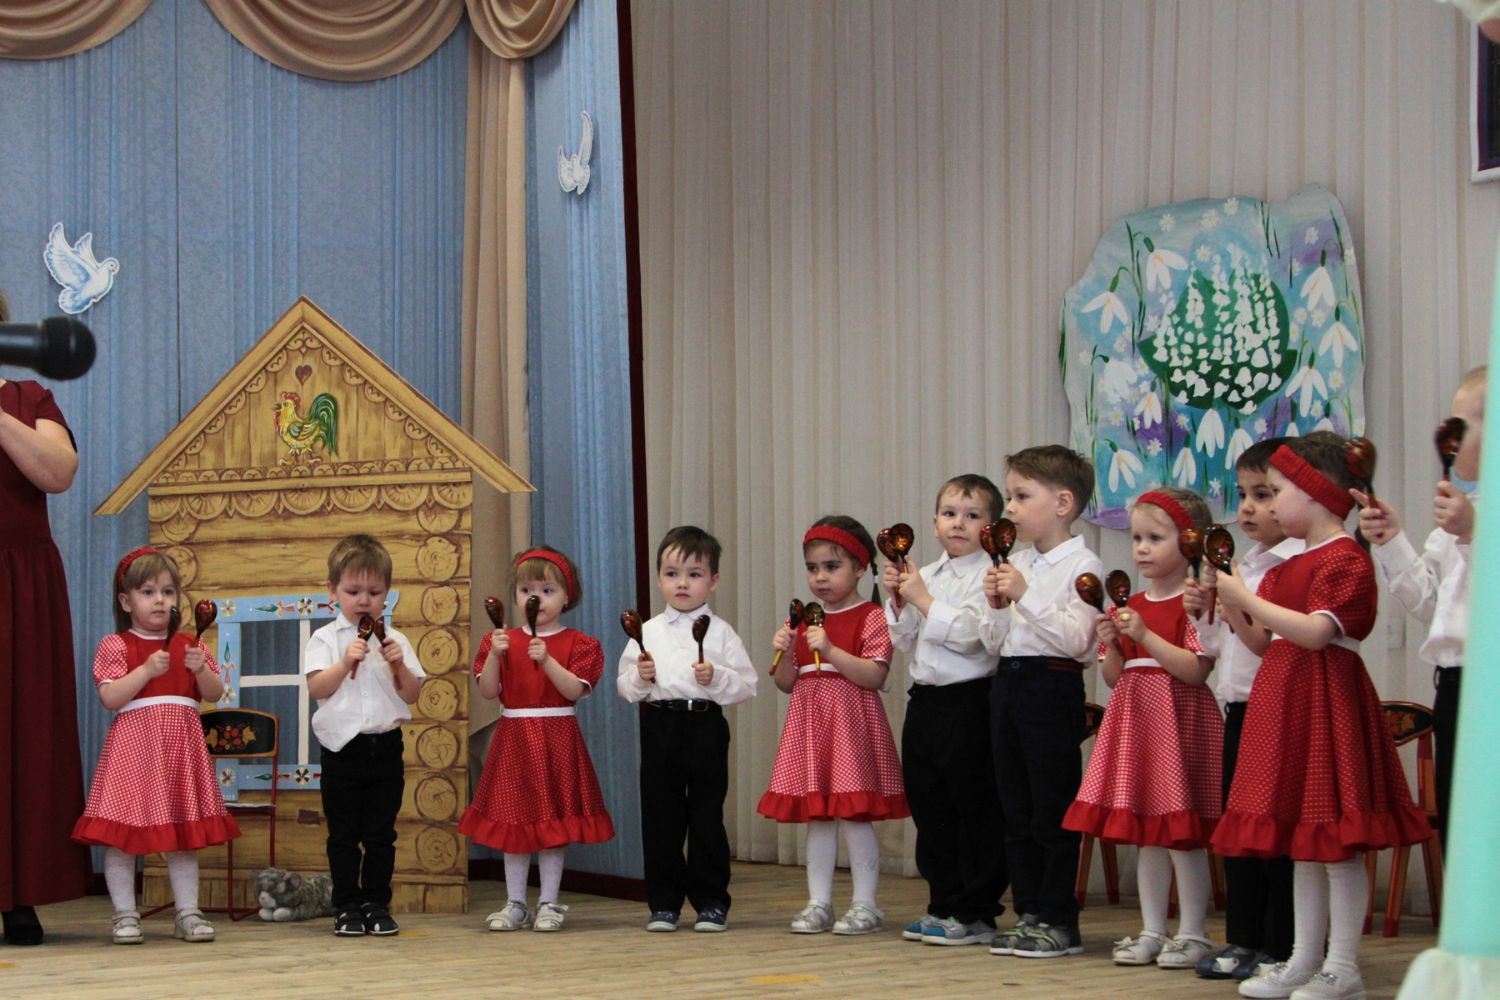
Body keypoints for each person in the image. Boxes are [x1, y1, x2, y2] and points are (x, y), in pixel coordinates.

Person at [1213, 437, 1431, 1000]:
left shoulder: (1345, 559)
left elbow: (1315, 633)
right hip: (1285, 704)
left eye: (1276, 491)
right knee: (1302, 843)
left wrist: (1247, 599)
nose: (1268, 504)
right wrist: (1232, 602)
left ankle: (1342, 966)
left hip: (1325, 703)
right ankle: (1303, 959)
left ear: (1315, 493)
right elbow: (1265, 644)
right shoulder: (1285, 567)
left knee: (1334, 843)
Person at [1063, 487, 1223, 970]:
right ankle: (1153, 930)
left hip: (1179, 722)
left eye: (1155, 538)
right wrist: (1113, 643)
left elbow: (1195, 670)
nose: (1142, 549)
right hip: (1137, 722)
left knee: (1182, 835)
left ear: (1189, 543)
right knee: (1149, 835)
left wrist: (1145, 635)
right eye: (1137, 539)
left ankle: (1192, 932)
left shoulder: (1195, 603)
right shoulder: (1126, 605)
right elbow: (1115, 677)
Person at [72, 547, 241, 944]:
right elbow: (110, 697)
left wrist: (201, 671)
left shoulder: (189, 645)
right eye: (148, 592)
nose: (160, 600)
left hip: (180, 751)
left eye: (167, 591)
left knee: (181, 837)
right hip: (133, 754)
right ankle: (124, 915)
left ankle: (188, 912)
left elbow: (214, 693)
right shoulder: (117, 645)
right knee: (122, 837)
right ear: (126, 601)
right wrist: (145, 670)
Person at [1356, 366, 1484, 852]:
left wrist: (1473, 532)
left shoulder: (1469, 516)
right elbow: (1428, 601)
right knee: (1461, 823)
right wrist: (1391, 541)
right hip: (1454, 686)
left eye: (1460, 426)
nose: (1449, 439)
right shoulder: (1461, 510)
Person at [982, 445, 1103, 959]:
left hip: (1052, 684)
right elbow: (994, 642)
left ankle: (1059, 918)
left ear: (1062, 503)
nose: (1009, 507)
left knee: (1052, 806)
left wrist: (1024, 595)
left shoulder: (1084, 564)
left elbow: (1078, 641)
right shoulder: (1018, 561)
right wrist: (995, 606)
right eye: (1009, 495)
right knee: (1016, 807)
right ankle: (1028, 911)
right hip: (1008, 682)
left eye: (1021, 496)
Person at [760, 516, 907, 936]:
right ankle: (818, 902)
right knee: (820, 817)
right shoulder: (802, 619)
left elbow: (873, 676)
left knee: (855, 815)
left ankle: (866, 904)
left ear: (859, 568)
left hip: (851, 726)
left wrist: (830, 648)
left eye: (831, 566)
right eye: (812, 568)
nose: (820, 577)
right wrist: (784, 651)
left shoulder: (872, 616)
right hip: (811, 726)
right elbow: (787, 683)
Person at [1189, 439, 1300, 981]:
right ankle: (1243, 938)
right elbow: (1218, 647)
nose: (1249, 507)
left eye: (1264, 494)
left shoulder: (1293, 565)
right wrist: (1205, 612)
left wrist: (1233, 604)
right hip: (1237, 707)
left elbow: (1270, 644)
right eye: (1244, 494)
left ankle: (1282, 943)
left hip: (1276, 711)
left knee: (1275, 832)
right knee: (1240, 829)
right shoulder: (1245, 564)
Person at [0, 286, 90, 947]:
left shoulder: (30, 399)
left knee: (24, 735)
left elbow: (57, 472)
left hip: (20, 586)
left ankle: (18, 894)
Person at [460, 546, 614, 932]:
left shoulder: (580, 643)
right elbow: (488, 691)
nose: (536, 599)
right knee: (513, 824)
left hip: (557, 738)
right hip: (514, 739)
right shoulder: (499, 641)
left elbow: (574, 691)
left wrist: (547, 660)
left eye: (547, 590)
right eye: (527, 590)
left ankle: (548, 902)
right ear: (514, 596)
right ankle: (515, 902)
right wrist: (495, 655)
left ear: (567, 596)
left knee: (552, 827)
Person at [882, 474, 1006, 947]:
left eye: (972, 516)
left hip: (971, 701)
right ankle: (943, 902)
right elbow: (906, 642)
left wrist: (921, 599)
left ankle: (976, 911)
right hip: (927, 701)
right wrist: (899, 601)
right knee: (929, 804)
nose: (959, 523)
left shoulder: (990, 574)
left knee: (973, 806)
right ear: (934, 522)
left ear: (991, 528)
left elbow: (977, 638)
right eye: (950, 514)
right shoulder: (927, 574)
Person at [616, 526, 756, 933]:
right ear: (659, 578)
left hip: (705, 725)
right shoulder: (646, 631)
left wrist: (716, 676)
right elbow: (625, 688)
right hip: (660, 724)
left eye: (694, 574)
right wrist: (641, 677)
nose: (682, 583)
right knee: (661, 816)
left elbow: (747, 686)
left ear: (713, 581)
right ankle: (664, 903)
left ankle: (711, 901)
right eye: (672, 573)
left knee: (706, 815)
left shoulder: (722, 632)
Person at [304, 534, 426, 938]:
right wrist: (344, 662)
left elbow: (412, 694)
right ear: (332, 591)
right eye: (353, 591)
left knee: (380, 834)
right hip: (341, 749)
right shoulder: (324, 639)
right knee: (343, 835)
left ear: (386, 594)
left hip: (385, 748)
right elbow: (317, 687)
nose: (364, 600)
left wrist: (399, 666)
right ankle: (346, 905)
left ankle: (376, 902)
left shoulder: (397, 640)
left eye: (374, 592)